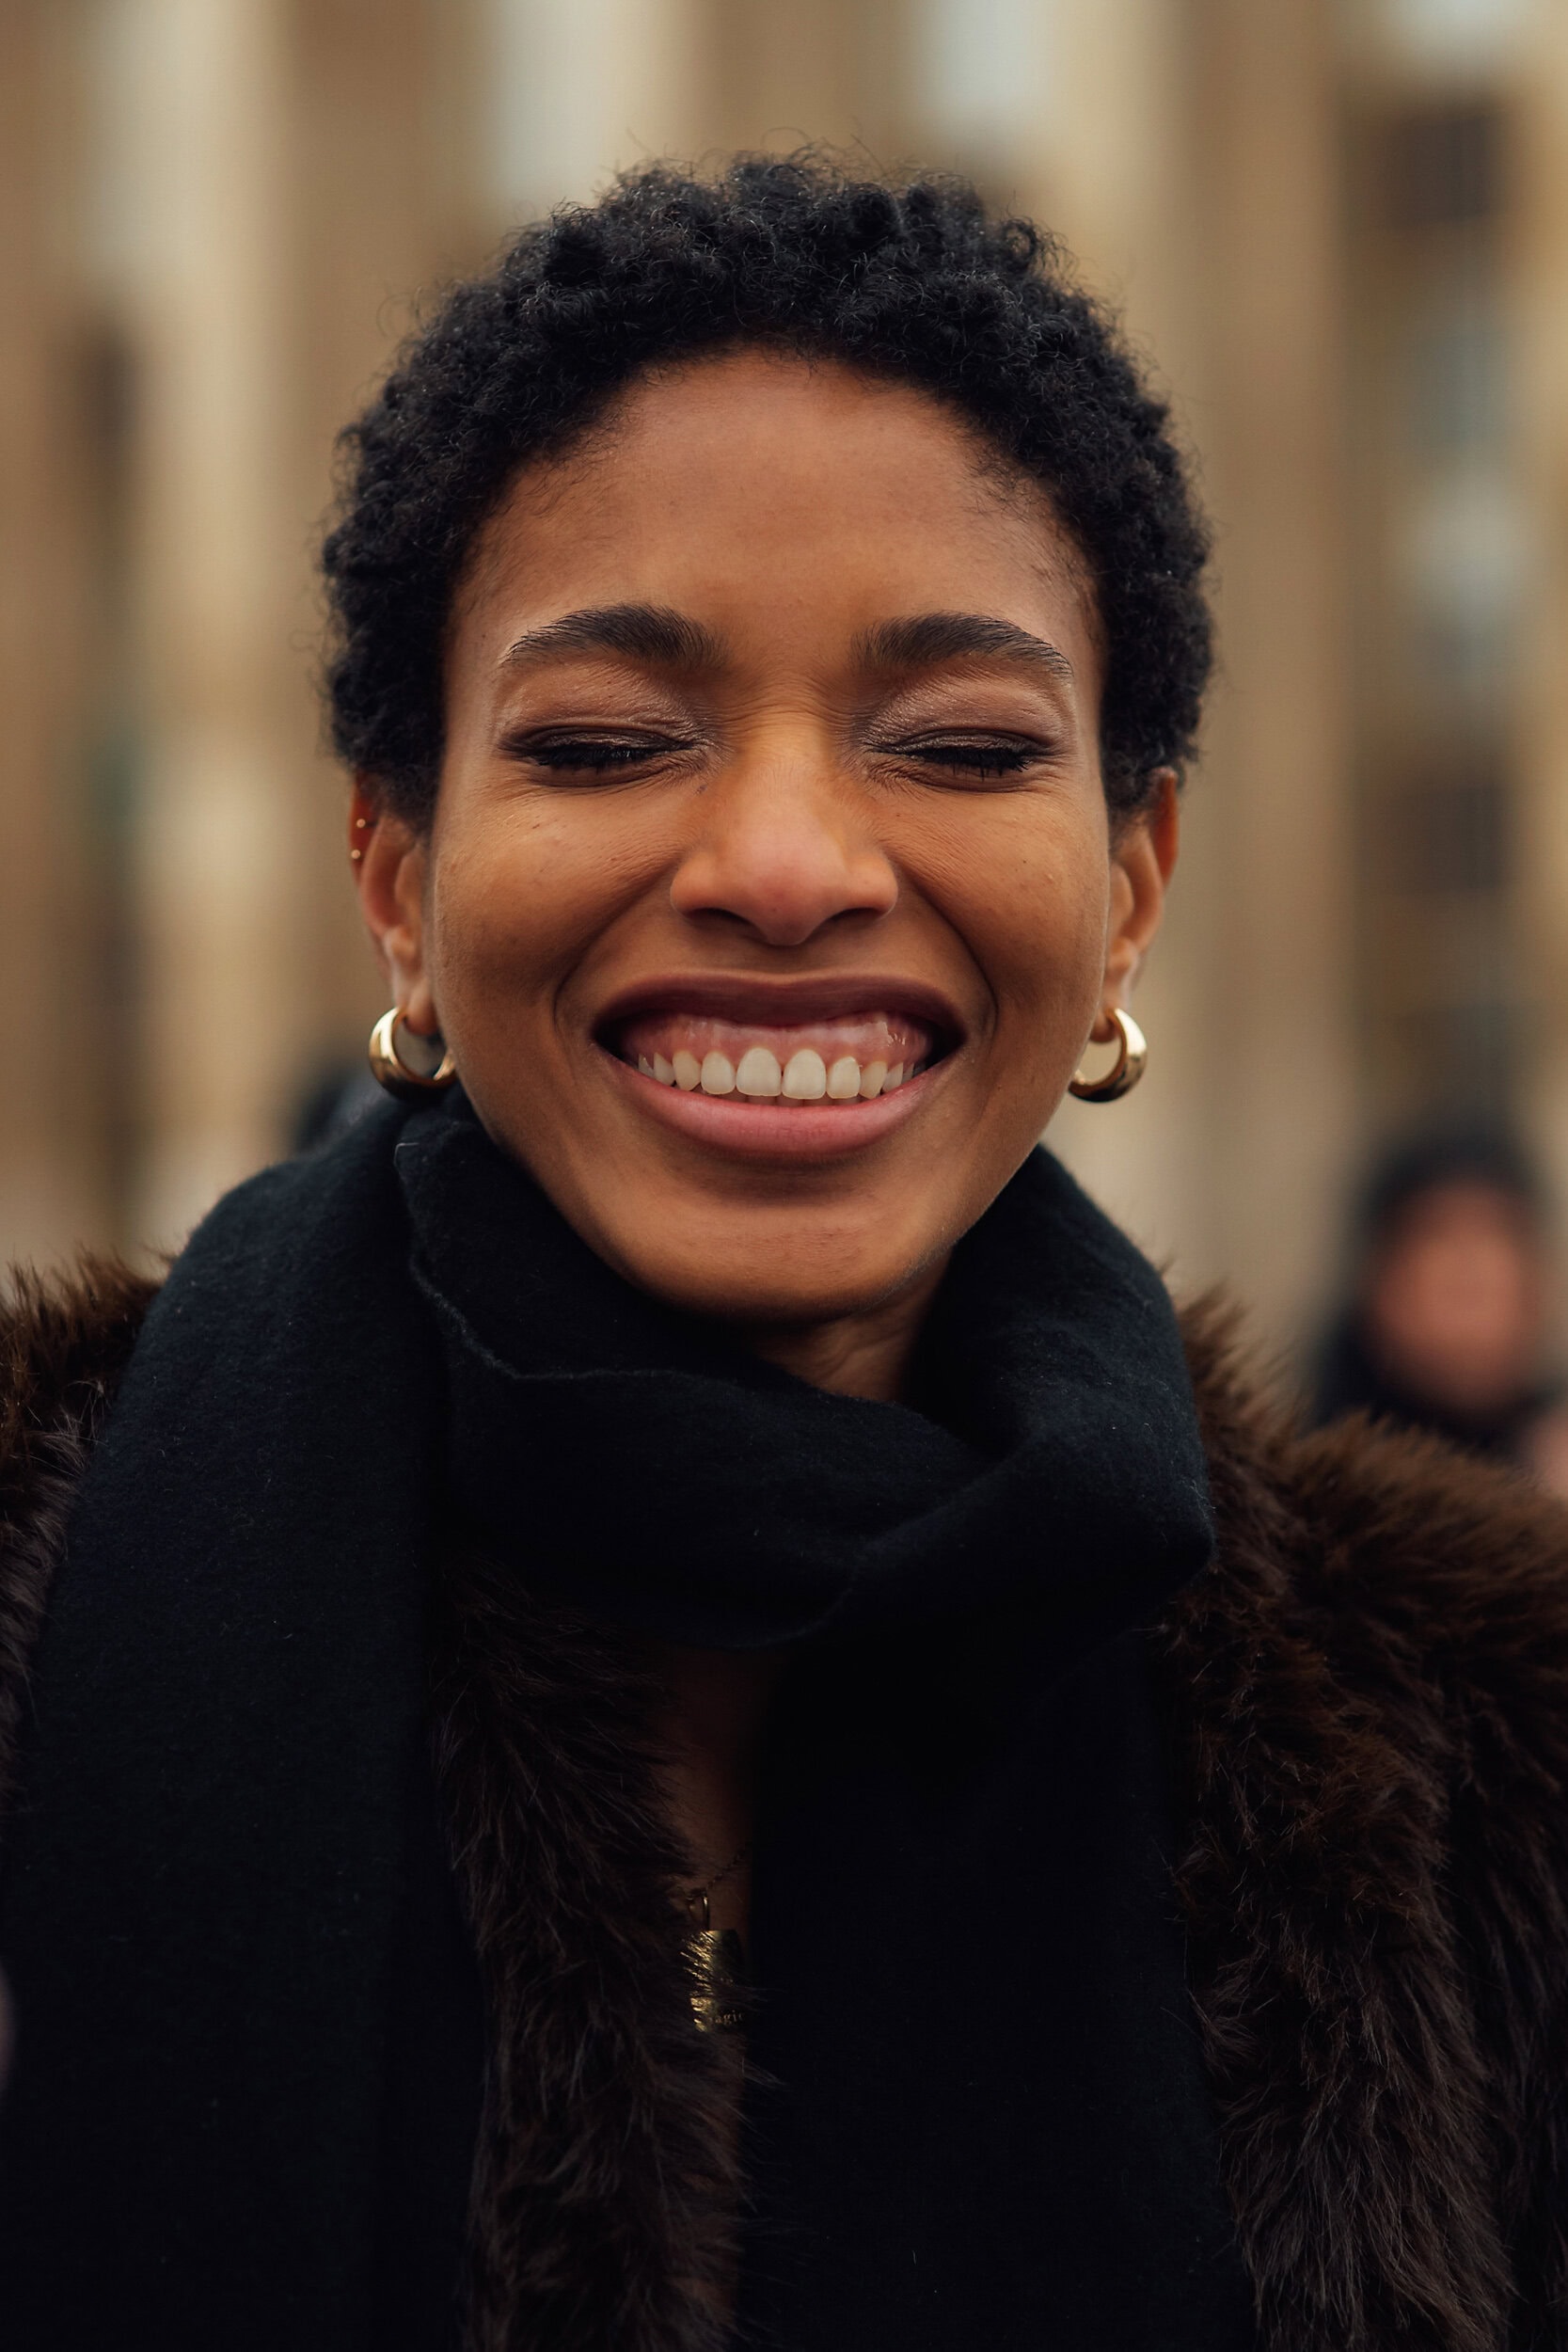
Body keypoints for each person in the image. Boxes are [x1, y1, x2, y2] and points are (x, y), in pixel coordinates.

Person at [2, 158, 1566, 2352]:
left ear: (1127, 885)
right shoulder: (31, 1599)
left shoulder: (1499, 1758)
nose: (785, 860)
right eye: (606, 742)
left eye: (958, 745)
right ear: (396, 870)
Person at [1313, 1127, 1568, 1492]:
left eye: (1501, 1237)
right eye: (1440, 1238)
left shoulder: (1552, 1454)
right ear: (1381, 1282)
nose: (1476, 1276)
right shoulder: (1309, 1487)